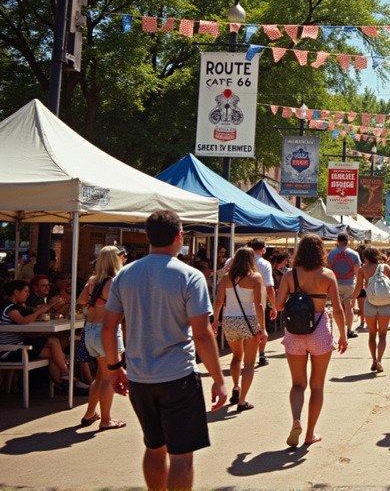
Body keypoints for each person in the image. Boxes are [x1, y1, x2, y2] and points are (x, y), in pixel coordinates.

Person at [102, 210, 226, 491]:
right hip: (177, 375)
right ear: (179, 236)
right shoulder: (190, 276)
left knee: (154, 446)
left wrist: (113, 368)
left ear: (147, 237)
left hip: (139, 376)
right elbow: (203, 335)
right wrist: (218, 379)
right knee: (181, 455)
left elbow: (109, 328)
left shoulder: (125, 275)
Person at [275, 233, 348, 447]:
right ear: (320, 252)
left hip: (295, 331)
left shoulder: (290, 274)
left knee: (298, 384)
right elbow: (337, 308)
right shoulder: (327, 275)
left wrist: (294, 297)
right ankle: (310, 433)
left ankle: (296, 419)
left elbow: (279, 306)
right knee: (317, 386)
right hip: (319, 330)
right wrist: (343, 335)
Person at [77, 246, 127, 429]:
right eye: (122, 256)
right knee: (108, 377)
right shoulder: (114, 282)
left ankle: (90, 413)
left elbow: (82, 300)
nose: (125, 258)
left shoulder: (92, 281)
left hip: (90, 330)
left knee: (101, 375)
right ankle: (106, 420)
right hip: (106, 331)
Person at [211, 248, 266, 412]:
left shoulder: (227, 277)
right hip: (249, 320)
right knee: (249, 362)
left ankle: (236, 386)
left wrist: (215, 320)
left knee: (236, 356)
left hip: (229, 319)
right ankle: (242, 401)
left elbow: (219, 300)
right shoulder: (255, 277)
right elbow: (259, 304)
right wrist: (262, 328)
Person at [0, 280, 71, 385]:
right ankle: (65, 377)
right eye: (26, 291)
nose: (28, 294)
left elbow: (33, 312)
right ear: (16, 292)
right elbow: (23, 321)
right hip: (9, 350)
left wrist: (50, 306)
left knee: (55, 350)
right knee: (54, 346)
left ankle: (62, 382)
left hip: (18, 346)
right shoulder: (9, 308)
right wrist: (47, 306)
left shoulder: (16, 306)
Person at [353, 247, 390, 373]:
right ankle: (380, 360)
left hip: (370, 302)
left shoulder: (362, 270)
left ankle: (373, 360)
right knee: (383, 335)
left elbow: (358, 289)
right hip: (385, 303)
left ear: (365, 257)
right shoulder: (385, 267)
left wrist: (351, 300)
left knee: (372, 335)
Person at [327, 233, 361, 338]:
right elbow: (358, 272)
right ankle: (349, 330)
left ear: (337, 241)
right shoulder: (354, 254)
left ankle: (338, 330)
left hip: (335, 284)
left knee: (336, 308)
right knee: (349, 307)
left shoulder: (331, 254)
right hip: (349, 283)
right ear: (348, 241)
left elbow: (328, 270)